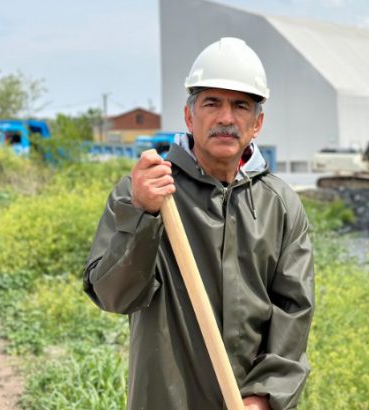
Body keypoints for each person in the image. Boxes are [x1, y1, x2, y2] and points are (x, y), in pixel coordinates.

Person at [83, 37, 315, 410]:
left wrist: (265, 397)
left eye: (240, 105)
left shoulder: (280, 205)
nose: (226, 118)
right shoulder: (148, 191)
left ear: (258, 123)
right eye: (212, 103)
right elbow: (113, 295)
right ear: (190, 116)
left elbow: (293, 310)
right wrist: (142, 214)